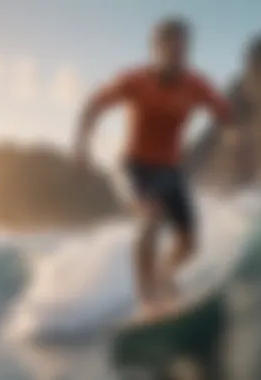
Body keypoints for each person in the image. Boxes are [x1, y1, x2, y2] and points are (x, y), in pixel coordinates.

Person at [73, 17, 234, 314]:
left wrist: (231, 132)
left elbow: (223, 111)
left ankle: (165, 276)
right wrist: (81, 145)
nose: (177, 54)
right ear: (155, 49)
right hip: (133, 166)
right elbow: (93, 105)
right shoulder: (134, 80)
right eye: (170, 47)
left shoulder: (196, 85)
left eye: (182, 48)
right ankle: (148, 300)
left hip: (171, 170)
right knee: (150, 217)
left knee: (188, 244)